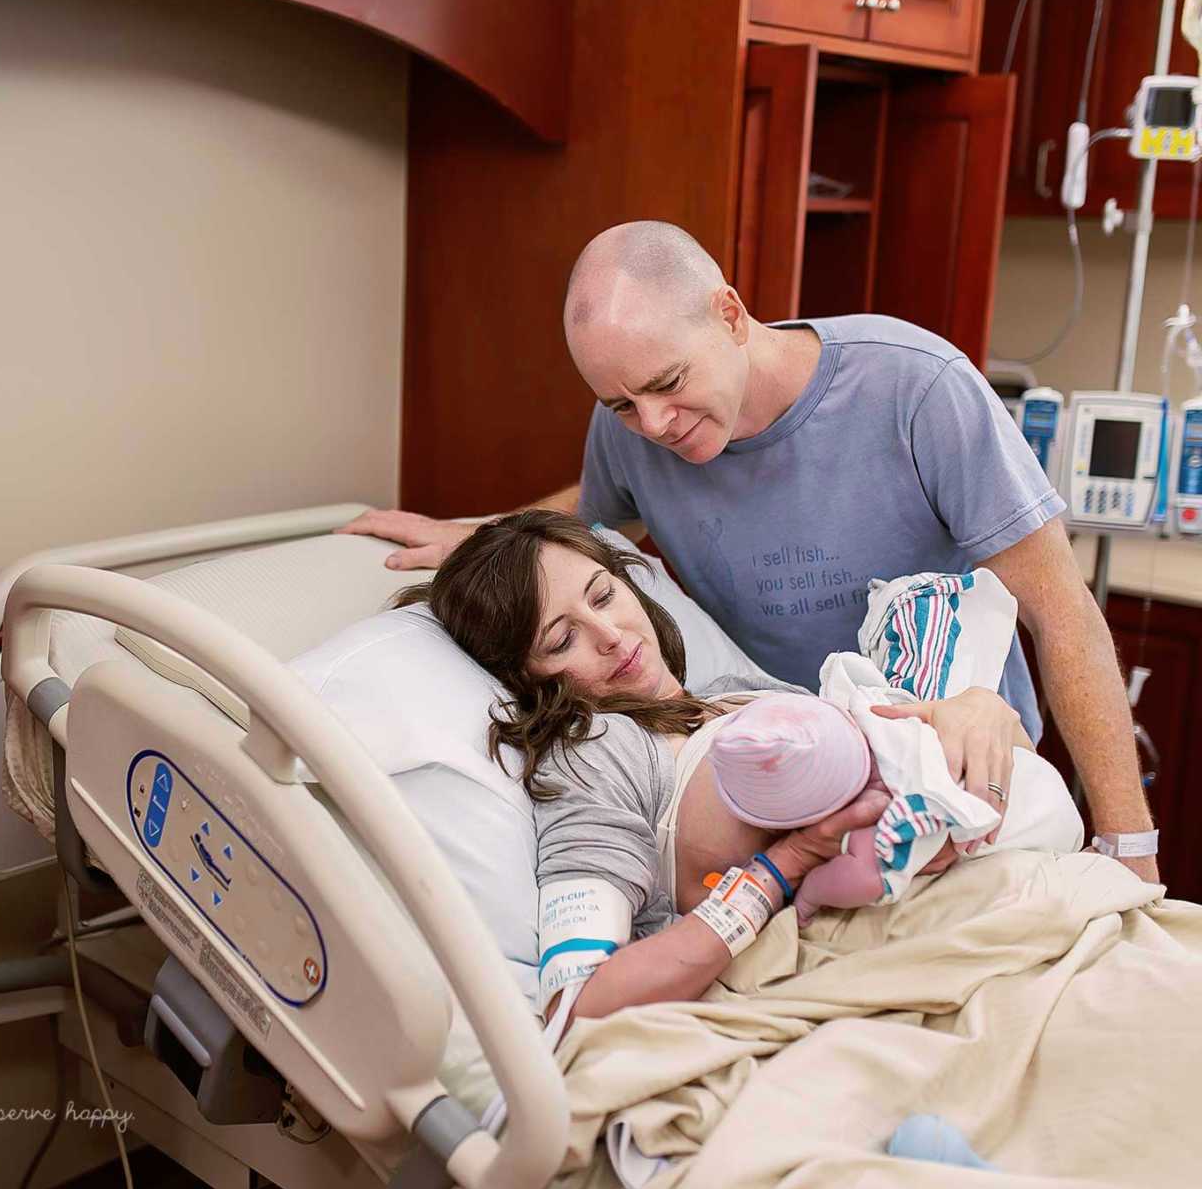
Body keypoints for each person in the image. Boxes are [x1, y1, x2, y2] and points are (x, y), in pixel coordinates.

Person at [346, 220, 1160, 882]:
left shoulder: (914, 391)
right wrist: (483, 533)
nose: (654, 425)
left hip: (953, 755)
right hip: (793, 809)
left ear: (731, 315)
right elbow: (589, 525)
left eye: (666, 384)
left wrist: (1130, 850)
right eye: (622, 404)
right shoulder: (629, 436)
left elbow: (1063, 616)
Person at [397, 511, 1041, 1025]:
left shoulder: (739, 693)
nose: (612, 635)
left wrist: (978, 710)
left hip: (1018, 903)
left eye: (604, 596)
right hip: (900, 965)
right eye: (561, 639)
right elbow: (581, 1001)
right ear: (523, 678)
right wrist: (783, 867)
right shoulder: (603, 753)